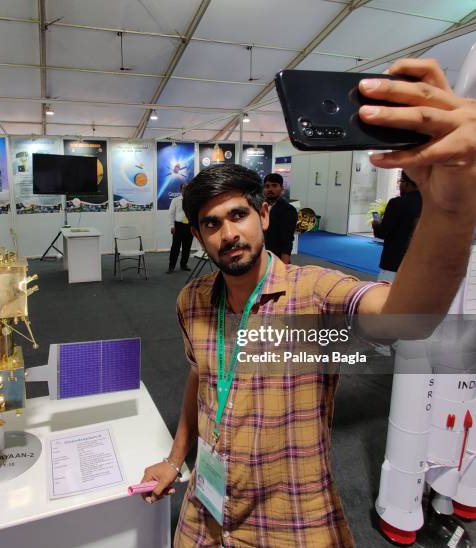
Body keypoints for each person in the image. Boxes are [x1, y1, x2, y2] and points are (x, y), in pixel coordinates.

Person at [140, 59, 476, 547]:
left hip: (291, 517)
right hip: (207, 513)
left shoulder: (313, 293)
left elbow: (410, 316)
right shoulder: (193, 300)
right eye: (212, 224)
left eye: (239, 215)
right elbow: (201, 376)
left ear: (264, 214)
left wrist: (450, 209)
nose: (228, 233)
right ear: (197, 235)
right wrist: (176, 460)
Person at [372, 171, 422, 282]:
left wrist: (376, 224)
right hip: (419, 263)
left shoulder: (397, 203)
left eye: (400, 181)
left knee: (384, 295)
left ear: (405, 183)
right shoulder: (428, 204)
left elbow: (382, 232)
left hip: (394, 261)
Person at [263, 172, 298, 264]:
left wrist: (284, 266)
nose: (270, 189)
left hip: (277, 258)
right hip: (260, 256)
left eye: (274, 186)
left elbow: (287, 240)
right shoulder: (258, 207)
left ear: (282, 188)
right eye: (267, 186)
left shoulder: (288, 210)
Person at [167, 183, 193, 273]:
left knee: (187, 247)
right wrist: (171, 226)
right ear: (180, 190)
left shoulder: (192, 200)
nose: (185, 190)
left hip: (189, 226)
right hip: (178, 226)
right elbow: (171, 213)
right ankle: (171, 266)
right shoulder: (175, 200)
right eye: (184, 188)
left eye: (187, 188)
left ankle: (183, 264)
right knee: (175, 247)